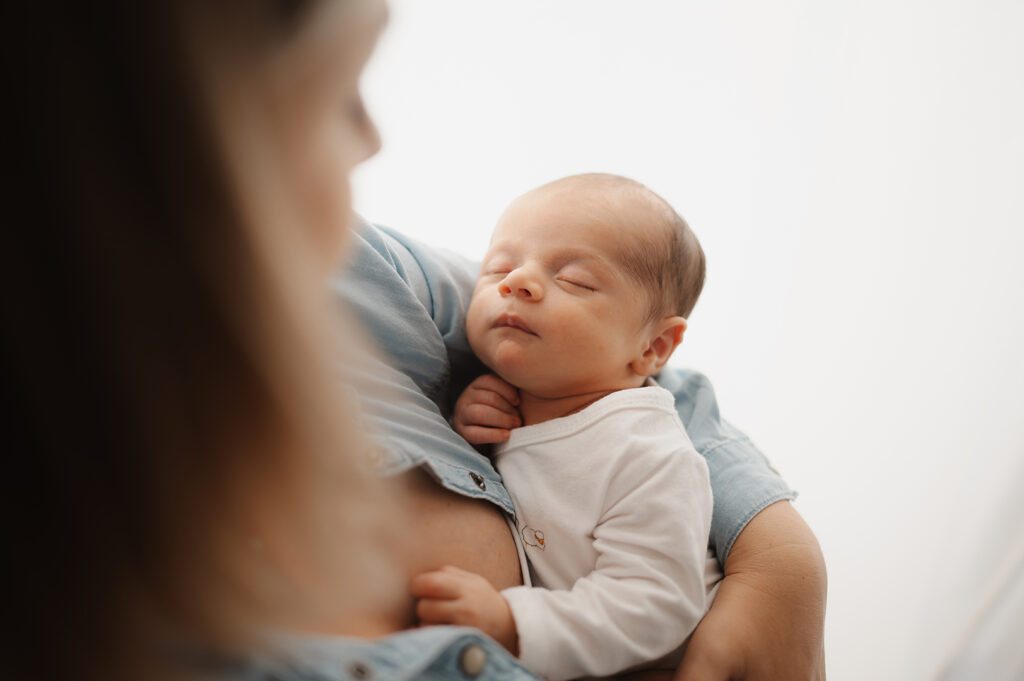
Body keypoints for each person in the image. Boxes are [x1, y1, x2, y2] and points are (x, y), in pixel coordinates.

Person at [4, 1, 827, 681]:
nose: (373, 140)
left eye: (566, 276)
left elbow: (649, 382)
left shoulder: (362, 273)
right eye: (337, 95)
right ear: (170, 137)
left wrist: (782, 567)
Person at [408, 173, 718, 680]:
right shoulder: (503, 399)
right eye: (497, 269)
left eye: (573, 279)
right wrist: (463, 424)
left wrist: (513, 623)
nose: (517, 282)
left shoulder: (647, 454)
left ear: (653, 348)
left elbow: (655, 603)